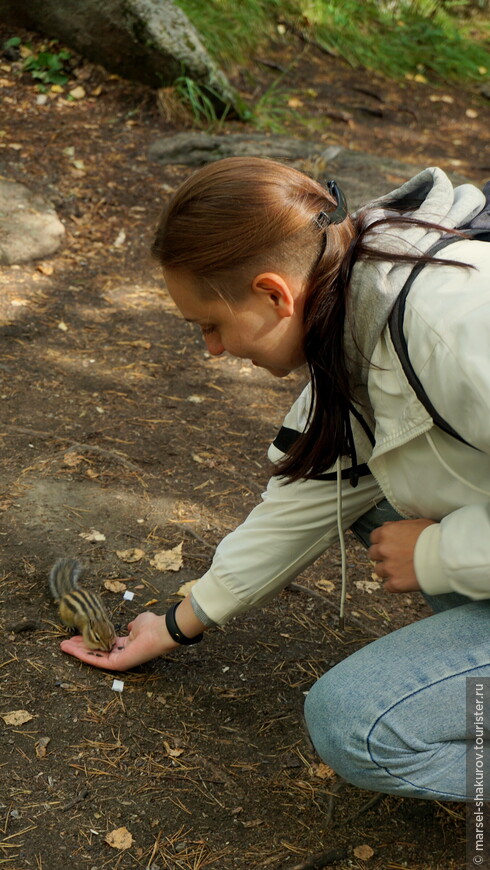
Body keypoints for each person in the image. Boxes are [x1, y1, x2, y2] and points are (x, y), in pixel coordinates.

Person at [62, 157, 490, 803]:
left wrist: (437, 554)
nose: (211, 348)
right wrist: (180, 621)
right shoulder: (353, 307)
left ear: (272, 292)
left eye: (209, 324)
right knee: (374, 499)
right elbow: (318, 488)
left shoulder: (449, 333)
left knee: (355, 724)